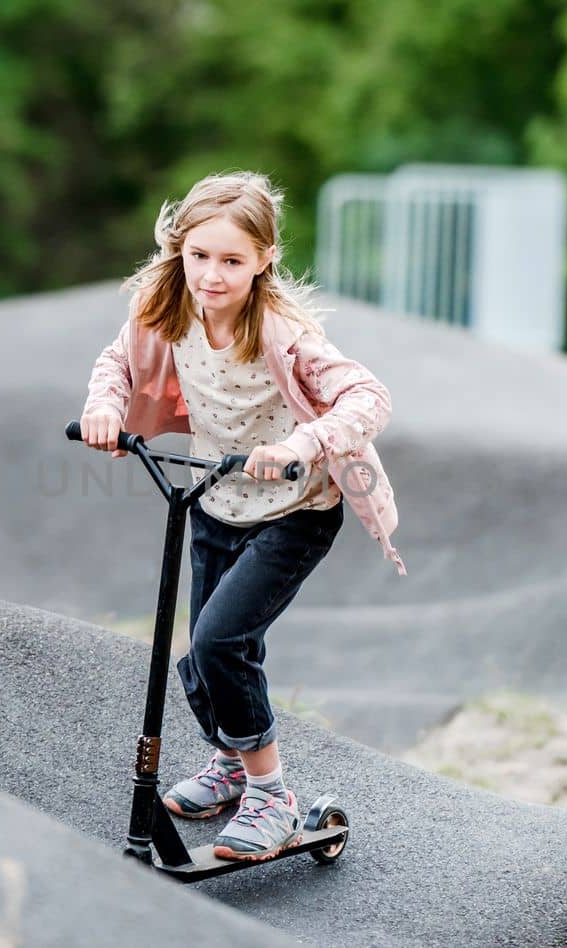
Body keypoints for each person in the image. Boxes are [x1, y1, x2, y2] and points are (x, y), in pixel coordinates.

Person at [79, 170, 405, 861]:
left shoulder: (284, 334)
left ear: (263, 260)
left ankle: (272, 798)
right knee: (202, 658)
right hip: (215, 500)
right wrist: (105, 407)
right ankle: (230, 764)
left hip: (295, 509)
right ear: (179, 250)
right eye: (200, 256)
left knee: (223, 644)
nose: (212, 275)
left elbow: (368, 397)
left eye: (232, 260)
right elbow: (117, 365)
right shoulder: (164, 306)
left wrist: (298, 444)